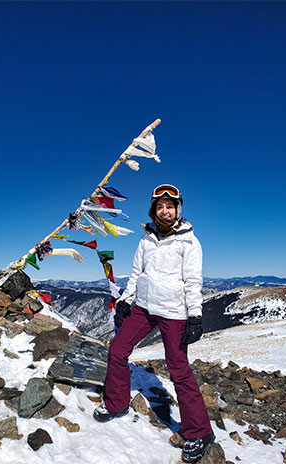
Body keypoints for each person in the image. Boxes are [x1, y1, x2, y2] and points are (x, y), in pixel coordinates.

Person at [92, 184, 214, 463]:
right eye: (160, 206)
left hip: (174, 313)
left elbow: (194, 283)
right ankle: (117, 403)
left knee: (178, 369)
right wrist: (125, 300)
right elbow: (137, 274)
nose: (165, 211)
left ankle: (199, 432)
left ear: (178, 210)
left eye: (170, 206)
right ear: (153, 210)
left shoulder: (190, 243)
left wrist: (195, 315)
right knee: (117, 350)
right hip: (145, 308)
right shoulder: (146, 240)